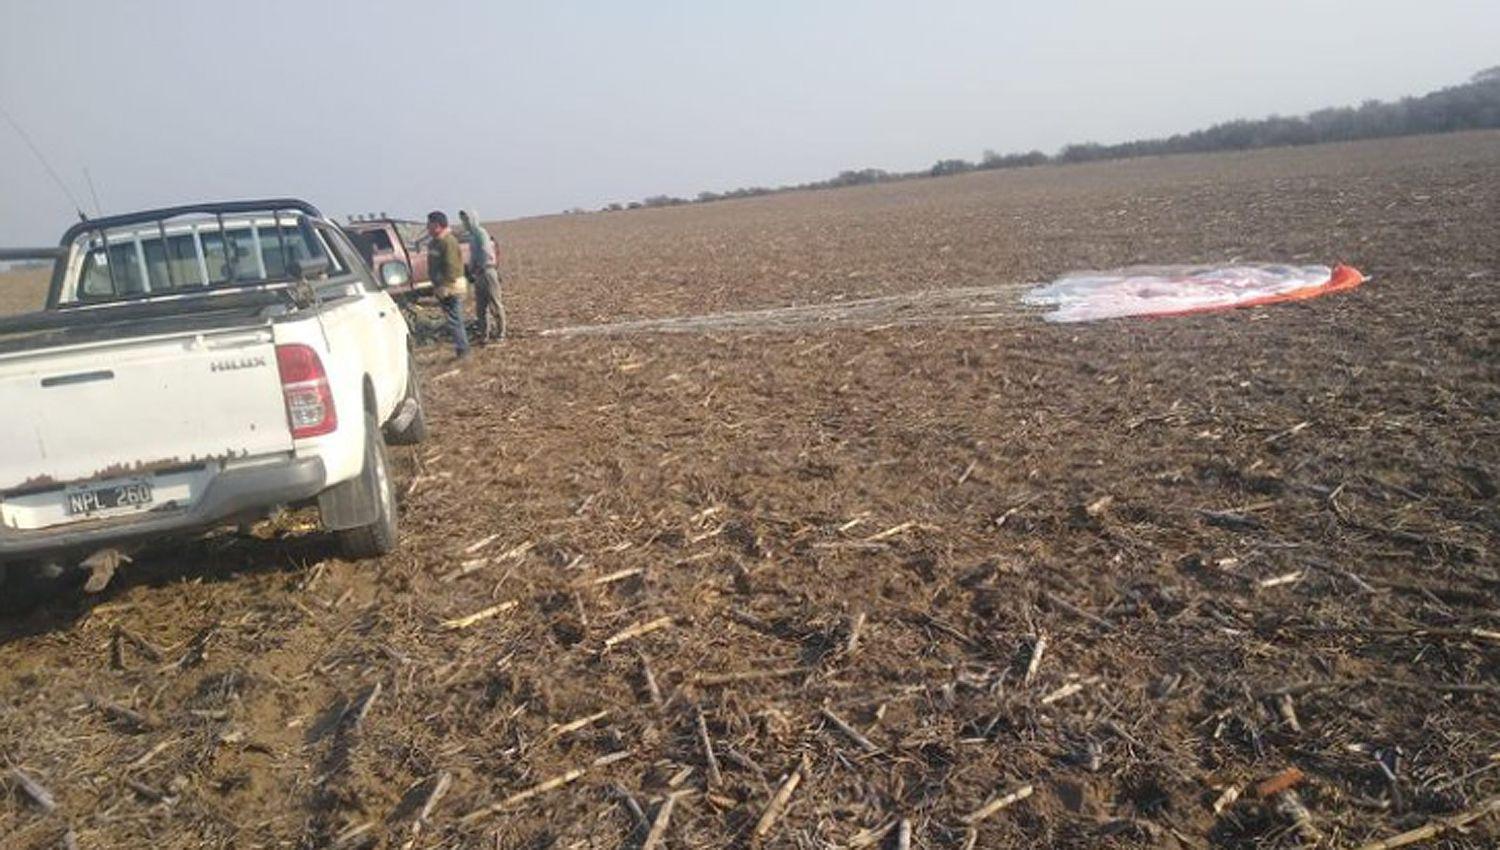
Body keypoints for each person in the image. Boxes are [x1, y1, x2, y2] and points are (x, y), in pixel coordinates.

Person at [426, 210, 469, 359]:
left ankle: (463, 352)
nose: (427, 228)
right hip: (442, 287)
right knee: (452, 321)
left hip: (451, 288)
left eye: (429, 225)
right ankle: (461, 349)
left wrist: (444, 286)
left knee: (455, 321)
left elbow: (453, 268)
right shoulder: (434, 243)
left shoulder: (448, 241)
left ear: (438, 225)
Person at [459, 209, 506, 343]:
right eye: (463, 220)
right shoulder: (472, 236)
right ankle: (484, 334)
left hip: (487, 271)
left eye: (467, 220)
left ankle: (501, 333)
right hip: (479, 274)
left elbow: (485, 253)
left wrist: (479, 266)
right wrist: (471, 270)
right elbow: (473, 255)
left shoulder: (481, 233)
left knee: (495, 304)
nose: (465, 223)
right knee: (481, 307)